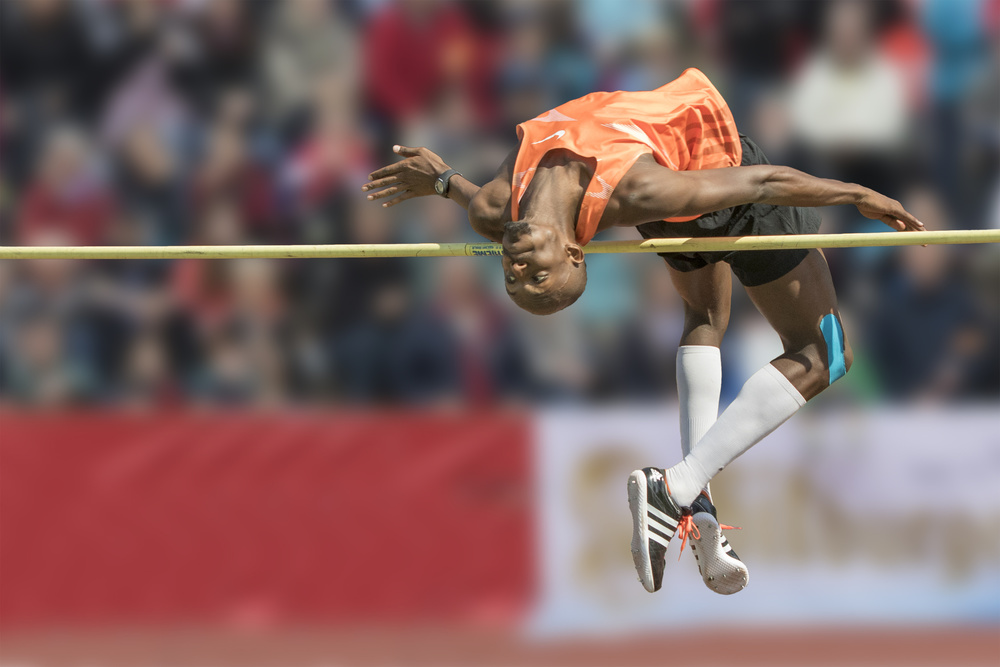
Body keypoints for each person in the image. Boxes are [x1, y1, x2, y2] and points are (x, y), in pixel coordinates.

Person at [362, 68, 923, 595]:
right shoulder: (640, 191)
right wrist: (856, 194)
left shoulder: (494, 210)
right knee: (827, 353)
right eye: (536, 275)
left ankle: (696, 508)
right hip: (716, 179)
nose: (519, 266)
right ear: (574, 253)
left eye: (516, 276)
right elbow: (762, 181)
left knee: (705, 319)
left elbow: (469, 196)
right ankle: (674, 488)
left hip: (675, 176)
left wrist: (441, 180)